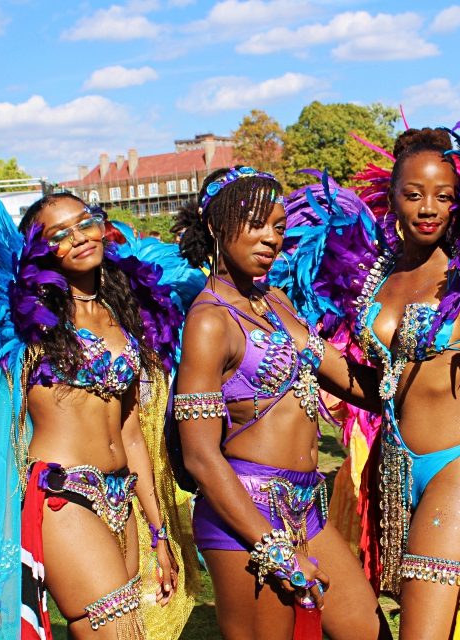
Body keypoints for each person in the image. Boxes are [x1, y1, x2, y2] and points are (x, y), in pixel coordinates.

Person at [273, 89, 460, 638]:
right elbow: (377, 389)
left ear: (459, 201)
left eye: (443, 195)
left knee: (427, 629)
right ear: (390, 197)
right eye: (414, 193)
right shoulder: (377, 278)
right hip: (391, 468)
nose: (429, 207)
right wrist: (305, 344)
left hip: (459, 463)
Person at [0, 183, 197, 640]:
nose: (79, 237)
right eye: (60, 234)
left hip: (120, 493)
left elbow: (131, 430)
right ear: (38, 251)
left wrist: (157, 530)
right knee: (117, 630)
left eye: (85, 223)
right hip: (62, 493)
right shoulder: (26, 321)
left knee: (127, 630)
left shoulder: (120, 311)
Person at [171, 166, 391, 640]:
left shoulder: (276, 300)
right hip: (245, 517)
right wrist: (276, 551)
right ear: (214, 226)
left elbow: (359, 386)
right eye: (256, 224)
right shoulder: (209, 322)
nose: (271, 238)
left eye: (278, 226)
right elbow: (201, 457)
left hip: (306, 507)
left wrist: (417, 360)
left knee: (370, 631)